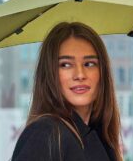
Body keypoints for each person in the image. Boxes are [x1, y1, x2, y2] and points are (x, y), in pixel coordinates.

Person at [11, 22, 122, 161]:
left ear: (102, 73)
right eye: (66, 64)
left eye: (89, 64)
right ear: (50, 73)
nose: (80, 75)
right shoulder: (45, 133)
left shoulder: (101, 138)